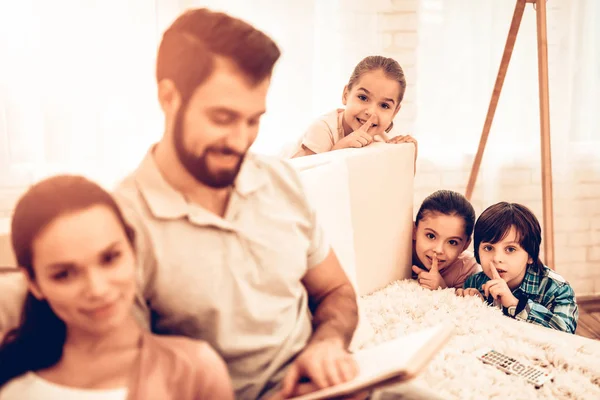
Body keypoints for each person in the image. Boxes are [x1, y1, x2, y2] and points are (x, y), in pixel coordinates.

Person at [0, 175, 234, 399]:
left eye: (110, 258)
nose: (98, 289)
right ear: (34, 283)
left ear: (133, 252)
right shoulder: (11, 376)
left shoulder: (192, 371)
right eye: (64, 275)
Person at [457, 202, 579, 334]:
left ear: (530, 255)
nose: (497, 258)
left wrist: (515, 304)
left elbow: (566, 334)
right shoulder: (474, 283)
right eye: (488, 248)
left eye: (510, 249)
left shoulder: (557, 289)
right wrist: (474, 307)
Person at [292, 56, 417, 168]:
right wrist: (340, 149)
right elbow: (305, 183)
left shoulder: (385, 139)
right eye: (363, 98)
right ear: (346, 95)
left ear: (395, 112)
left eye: (384, 105)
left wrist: (410, 154)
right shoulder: (322, 129)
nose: (371, 112)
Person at [411, 190, 480, 290]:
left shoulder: (466, 268)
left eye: (452, 242)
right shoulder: (400, 255)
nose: (438, 250)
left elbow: (466, 303)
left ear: (465, 245)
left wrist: (443, 288)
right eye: (431, 236)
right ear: (414, 231)